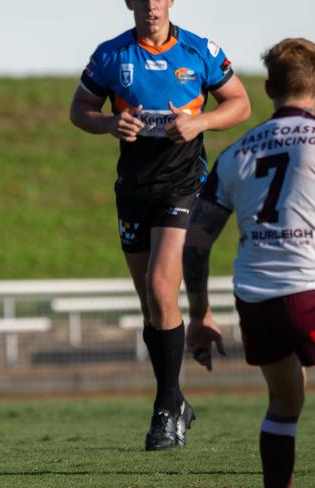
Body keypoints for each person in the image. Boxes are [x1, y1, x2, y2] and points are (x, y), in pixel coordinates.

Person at [69, 0, 250, 450]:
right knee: (153, 308)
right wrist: (111, 122)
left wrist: (200, 122)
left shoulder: (199, 51)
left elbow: (241, 104)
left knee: (160, 288)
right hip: (133, 190)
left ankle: (164, 413)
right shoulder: (111, 55)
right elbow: (80, 110)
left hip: (184, 187)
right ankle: (176, 399)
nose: (151, 5)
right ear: (129, 2)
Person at [183, 37, 315, 488]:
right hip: (308, 288)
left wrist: (199, 313)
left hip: (257, 299)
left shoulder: (236, 153)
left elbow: (197, 242)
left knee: (284, 405)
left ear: (268, 88)